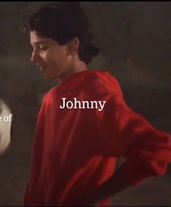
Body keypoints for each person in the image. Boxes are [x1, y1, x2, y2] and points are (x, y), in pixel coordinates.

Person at [24, 2, 171, 206]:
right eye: (33, 48)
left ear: (72, 46)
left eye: (42, 47)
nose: (33, 58)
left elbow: (157, 149)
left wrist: (96, 196)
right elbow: (41, 178)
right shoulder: (51, 99)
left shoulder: (94, 96)